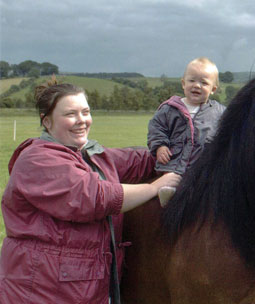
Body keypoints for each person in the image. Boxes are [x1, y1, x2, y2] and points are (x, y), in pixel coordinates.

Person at [0, 78, 181, 303]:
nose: (81, 121)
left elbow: (138, 161)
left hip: (79, 288)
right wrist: (155, 188)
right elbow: (94, 197)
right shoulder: (37, 159)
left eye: (85, 112)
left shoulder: (88, 155)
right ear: (46, 122)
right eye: (70, 114)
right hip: (42, 290)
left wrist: (179, 148)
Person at [147, 57, 225, 206]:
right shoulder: (169, 109)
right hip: (174, 163)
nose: (197, 85)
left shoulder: (219, 112)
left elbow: (226, 134)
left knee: (209, 185)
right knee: (171, 180)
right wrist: (160, 146)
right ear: (183, 83)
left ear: (213, 89)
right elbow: (156, 128)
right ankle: (169, 193)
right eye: (192, 81)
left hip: (202, 166)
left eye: (204, 82)